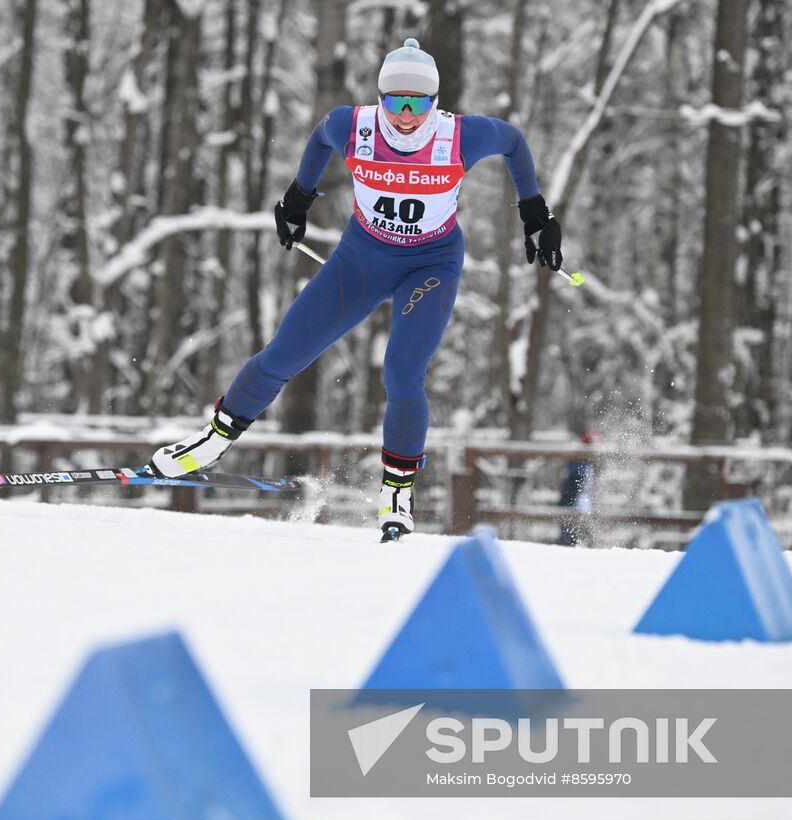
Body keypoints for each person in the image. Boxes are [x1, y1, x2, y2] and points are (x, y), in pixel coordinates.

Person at [149, 38, 565, 542]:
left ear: (435, 102)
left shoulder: (461, 136)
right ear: (380, 98)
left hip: (430, 264)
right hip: (361, 260)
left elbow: (514, 142)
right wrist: (298, 198)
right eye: (396, 102)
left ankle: (397, 494)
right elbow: (320, 138)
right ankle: (212, 441)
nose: (406, 115)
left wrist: (534, 212)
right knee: (283, 354)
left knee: (402, 373)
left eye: (418, 103)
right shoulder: (355, 126)